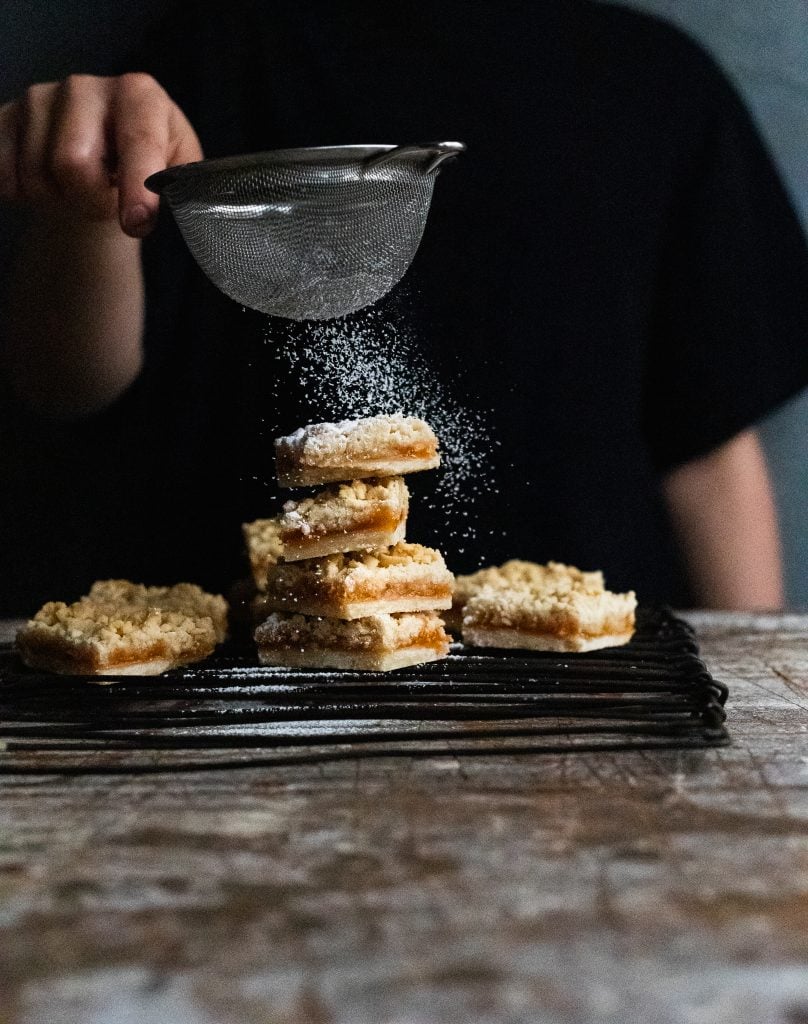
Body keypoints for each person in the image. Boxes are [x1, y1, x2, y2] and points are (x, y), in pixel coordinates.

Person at [1, 0, 807, 616]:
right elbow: (68, 384)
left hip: (593, 673)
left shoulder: (659, 84)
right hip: (258, 666)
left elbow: (709, 453)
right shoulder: (205, 60)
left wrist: (758, 708)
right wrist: (84, 200)